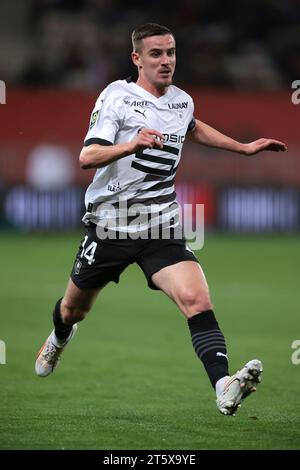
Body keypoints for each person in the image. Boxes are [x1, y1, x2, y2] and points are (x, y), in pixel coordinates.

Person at [35, 23, 287, 416]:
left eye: (170, 52)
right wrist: (131, 143)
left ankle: (223, 386)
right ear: (137, 58)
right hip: (110, 225)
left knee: (197, 300)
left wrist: (242, 148)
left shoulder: (182, 100)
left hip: (159, 225)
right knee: (73, 310)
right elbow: (87, 158)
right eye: (156, 53)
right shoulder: (117, 97)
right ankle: (59, 337)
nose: (166, 60)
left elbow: (190, 127)